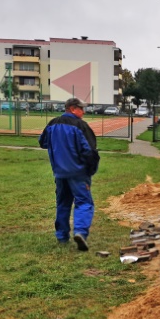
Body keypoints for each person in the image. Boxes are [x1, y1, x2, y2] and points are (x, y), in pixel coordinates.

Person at [39, 97, 100, 251]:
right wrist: (91, 169)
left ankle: (62, 236)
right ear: (73, 109)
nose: (84, 112)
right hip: (78, 172)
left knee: (63, 203)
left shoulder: (52, 124)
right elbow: (89, 151)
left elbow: (42, 142)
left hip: (59, 172)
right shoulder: (81, 126)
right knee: (84, 202)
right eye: (81, 109)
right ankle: (80, 232)